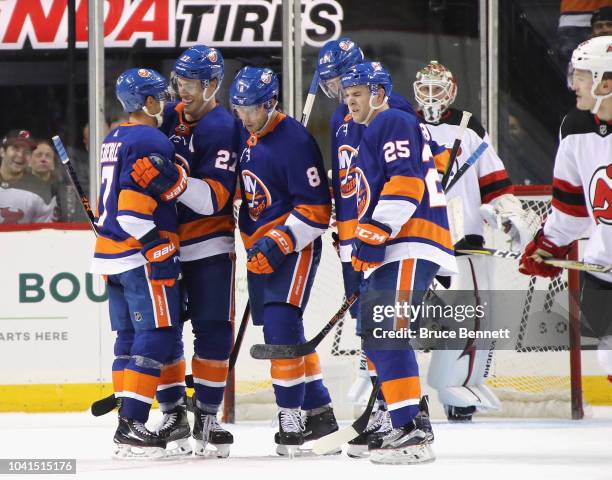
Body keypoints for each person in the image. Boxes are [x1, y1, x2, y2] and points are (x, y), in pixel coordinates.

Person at [316, 38, 449, 457]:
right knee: (378, 334)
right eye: (344, 93)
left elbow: (406, 182)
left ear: (375, 92)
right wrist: (359, 238)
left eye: (354, 92)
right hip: (392, 240)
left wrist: (372, 234)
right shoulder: (370, 123)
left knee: (387, 334)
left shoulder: (390, 119)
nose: (346, 99)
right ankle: (399, 419)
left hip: (410, 238)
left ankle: (411, 426)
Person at [413, 60, 541, 421]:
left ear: (451, 90)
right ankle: (397, 398)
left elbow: (496, 182)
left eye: (439, 89)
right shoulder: (403, 125)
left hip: (465, 242)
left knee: (470, 318)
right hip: (418, 241)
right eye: (426, 89)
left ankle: (459, 391)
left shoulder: (469, 127)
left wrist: (509, 213)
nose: (432, 97)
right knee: (403, 319)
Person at [230, 66, 338, 456]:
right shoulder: (245, 133)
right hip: (259, 249)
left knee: (280, 326)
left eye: (252, 109)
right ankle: (319, 409)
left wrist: (279, 242)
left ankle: (289, 415)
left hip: (294, 249)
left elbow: (316, 209)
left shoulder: (296, 142)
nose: (243, 116)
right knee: (286, 329)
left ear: (271, 103)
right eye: (238, 108)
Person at [90, 67, 187, 458]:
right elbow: (132, 210)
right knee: (160, 335)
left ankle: (126, 421)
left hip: (110, 252)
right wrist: (154, 246)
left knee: (127, 340)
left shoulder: (114, 136)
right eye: (159, 96)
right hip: (137, 251)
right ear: (147, 102)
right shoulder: (151, 138)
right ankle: (131, 422)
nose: (164, 102)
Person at [148, 45, 239, 458]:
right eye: (180, 81)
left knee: (212, 329)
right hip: (164, 243)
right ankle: (171, 412)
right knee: (163, 330)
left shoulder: (223, 126)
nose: (182, 90)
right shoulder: (165, 115)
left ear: (212, 84)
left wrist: (177, 181)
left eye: (192, 83)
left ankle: (207, 414)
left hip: (208, 243)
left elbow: (215, 198)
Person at [519, 36, 612, 384]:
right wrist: (550, 245)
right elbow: (571, 207)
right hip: (604, 268)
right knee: (608, 356)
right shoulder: (575, 128)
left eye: (583, 75)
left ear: (606, 80)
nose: (574, 83)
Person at [0, 130, 56, 224]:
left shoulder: (41, 189)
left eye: (27, 151)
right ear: (2, 152)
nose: (20, 155)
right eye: (15, 148)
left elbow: (45, 233)